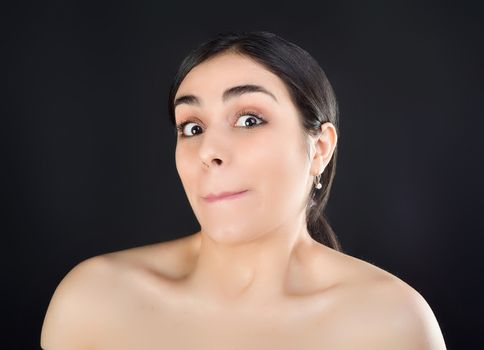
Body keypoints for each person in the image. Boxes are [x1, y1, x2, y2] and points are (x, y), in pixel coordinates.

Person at [40, 31, 447, 349]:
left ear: (319, 148)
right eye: (192, 127)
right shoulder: (93, 300)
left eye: (249, 119)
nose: (209, 151)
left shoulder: (393, 322)